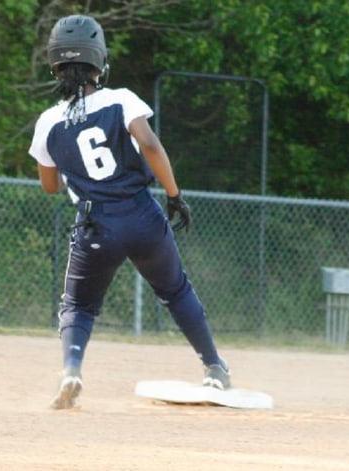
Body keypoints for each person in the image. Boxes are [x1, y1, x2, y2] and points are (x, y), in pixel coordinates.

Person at [28, 14, 230, 410]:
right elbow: (150, 145)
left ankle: (71, 370)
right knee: (175, 290)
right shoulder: (120, 100)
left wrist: (76, 174)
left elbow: (49, 186)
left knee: (79, 306)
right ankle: (214, 368)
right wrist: (174, 195)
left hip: (95, 225)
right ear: (99, 62)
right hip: (141, 215)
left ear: (55, 65)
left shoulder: (48, 122)